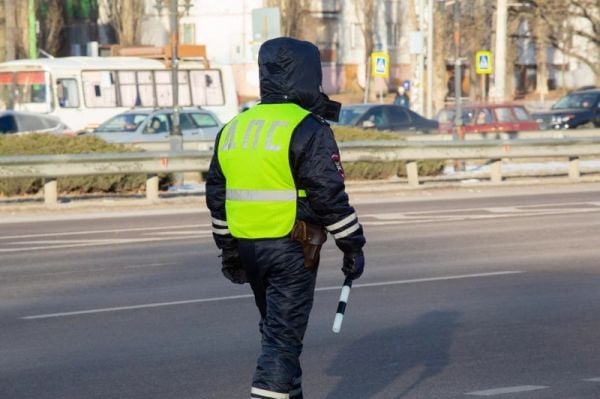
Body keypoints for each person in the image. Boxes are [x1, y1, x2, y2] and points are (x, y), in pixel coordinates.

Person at [206, 37, 366, 399]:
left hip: (249, 246)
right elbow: (329, 196)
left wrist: (229, 251)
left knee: (276, 331)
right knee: (281, 342)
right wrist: (353, 245)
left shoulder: (235, 127)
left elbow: (218, 198)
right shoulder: (307, 127)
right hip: (291, 248)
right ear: (310, 75)